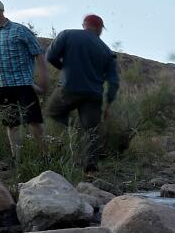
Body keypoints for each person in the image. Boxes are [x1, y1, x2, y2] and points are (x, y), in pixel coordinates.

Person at [0, 0, 49, 155]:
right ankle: (17, 159)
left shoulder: (20, 30)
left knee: (34, 122)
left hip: (23, 85)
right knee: (11, 124)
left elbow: (38, 55)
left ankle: (46, 157)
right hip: (0, 85)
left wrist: (43, 80)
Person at [45, 14, 120, 177]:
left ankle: (77, 127)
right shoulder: (107, 51)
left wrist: (64, 68)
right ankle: (90, 170)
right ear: (100, 29)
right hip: (94, 95)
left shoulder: (67, 34)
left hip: (69, 88)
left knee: (52, 111)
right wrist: (108, 104)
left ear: (84, 24)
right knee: (92, 131)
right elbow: (114, 82)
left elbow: (50, 56)